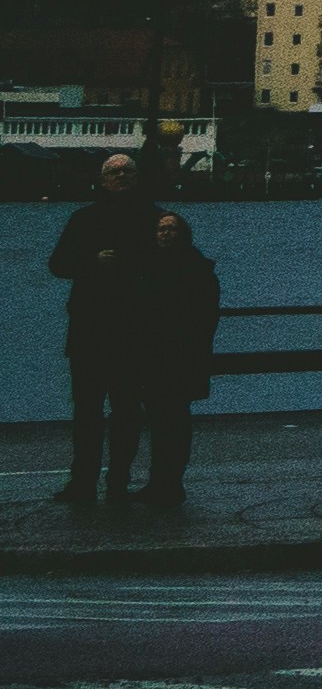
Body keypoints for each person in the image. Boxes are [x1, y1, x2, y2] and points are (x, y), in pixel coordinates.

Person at [45, 141, 176, 511]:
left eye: (127, 171)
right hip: (91, 329)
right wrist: (92, 261)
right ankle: (84, 480)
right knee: (87, 410)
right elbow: (57, 265)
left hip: (133, 331)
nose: (121, 176)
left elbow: (173, 265)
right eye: (114, 172)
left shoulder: (155, 218)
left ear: (137, 178)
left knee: (125, 411)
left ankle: (117, 479)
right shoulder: (83, 219)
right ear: (101, 180)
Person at [105, 198, 227, 509]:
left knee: (172, 422)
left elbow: (203, 317)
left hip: (177, 358)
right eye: (160, 229)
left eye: (171, 229)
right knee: (162, 422)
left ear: (182, 234)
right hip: (152, 357)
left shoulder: (194, 269)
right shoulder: (154, 267)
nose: (164, 234)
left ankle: (170, 482)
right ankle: (161, 482)